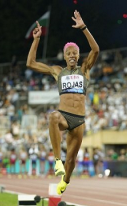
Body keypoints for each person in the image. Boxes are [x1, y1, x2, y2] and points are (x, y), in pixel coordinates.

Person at [26, 10, 99, 195]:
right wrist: (36, 40)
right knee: (53, 117)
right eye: (69, 53)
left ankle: (65, 181)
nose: (72, 55)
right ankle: (57, 160)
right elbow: (31, 63)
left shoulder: (85, 69)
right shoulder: (58, 71)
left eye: (75, 52)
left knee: (72, 161)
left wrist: (83, 27)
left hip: (79, 120)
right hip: (64, 116)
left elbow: (96, 50)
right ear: (65, 56)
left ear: (78, 54)